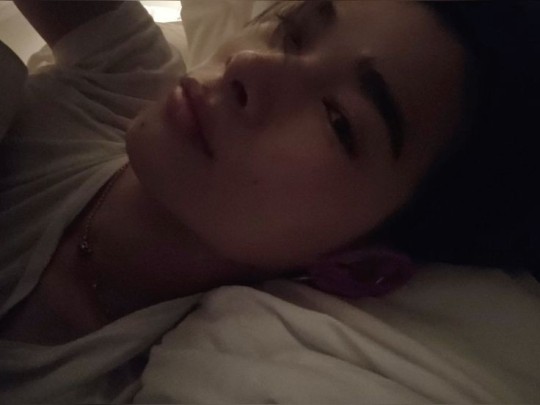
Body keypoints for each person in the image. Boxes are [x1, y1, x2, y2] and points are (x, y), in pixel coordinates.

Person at [0, 0, 538, 401]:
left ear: (359, 268)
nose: (247, 64)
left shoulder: (155, 381)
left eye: (338, 120)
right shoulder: (123, 78)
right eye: (292, 32)